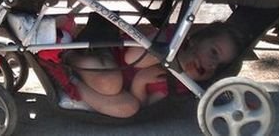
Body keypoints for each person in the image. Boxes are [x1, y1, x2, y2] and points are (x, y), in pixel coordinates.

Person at [61, 22, 244, 118]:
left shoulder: (181, 85)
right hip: (107, 57)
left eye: (219, 65)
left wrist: (141, 81)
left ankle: (68, 82)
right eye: (214, 52)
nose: (212, 64)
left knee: (129, 108)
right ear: (195, 39)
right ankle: (65, 56)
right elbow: (131, 58)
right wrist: (173, 57)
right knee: (111, 83)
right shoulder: (171, 37)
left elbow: (143, 107)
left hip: (117, 89)